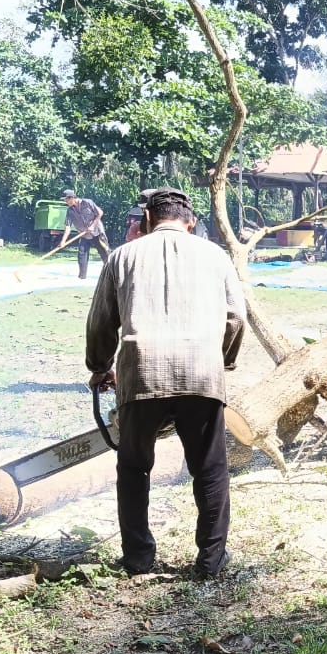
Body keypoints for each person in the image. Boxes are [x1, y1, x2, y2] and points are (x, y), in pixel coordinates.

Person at [85, 187, 247, 578]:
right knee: (209, 470)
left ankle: (138, 559)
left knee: (134, 469)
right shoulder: (215, 255)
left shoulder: (122, 256)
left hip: (142, 373)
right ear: (190, 222)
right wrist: (221, 361)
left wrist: (99, 366)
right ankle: (211, 561)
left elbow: (101, 321)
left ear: (146, 221)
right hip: (201, 372)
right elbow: (236, 317)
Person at [60, 188, 111, 279]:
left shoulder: (87, 202)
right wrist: (63, 241)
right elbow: (68, 226)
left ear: (71, 197)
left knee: (104, 252)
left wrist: (92, 225)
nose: (65, 201)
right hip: (84, 234)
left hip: (97, 232)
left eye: (66, 199)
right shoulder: (70, 211)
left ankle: (112, 273)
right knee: (82, 254)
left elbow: (100, 213)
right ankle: (82, 277)